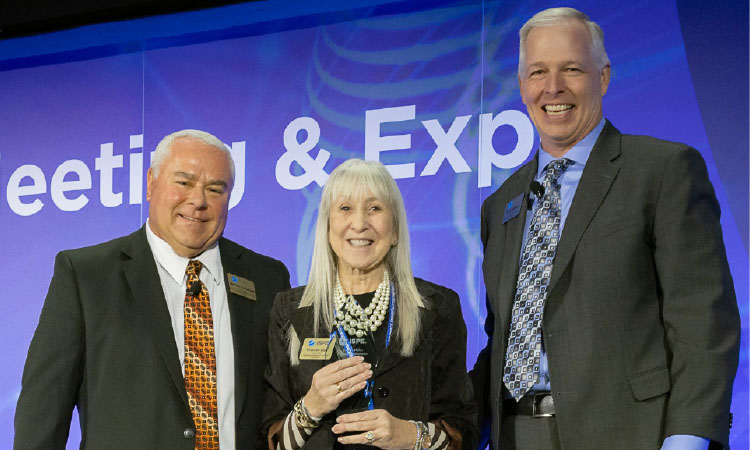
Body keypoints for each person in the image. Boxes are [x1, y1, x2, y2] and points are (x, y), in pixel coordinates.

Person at [471, 7, 740, 450]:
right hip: (516, 436)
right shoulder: (499, 205)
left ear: (603, 77)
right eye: (538, 72)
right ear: (522, 87)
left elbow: (702, 324)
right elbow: (502, 336)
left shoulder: (663, 170)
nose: (553, 88)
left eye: (571, 69)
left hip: (632, 434)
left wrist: (686, 440)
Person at [14, 129, 290, 450]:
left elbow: (280, 407)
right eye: (184, 183)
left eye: (215, 189)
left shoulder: (267, 278)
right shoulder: (86, 276)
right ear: (150, 184)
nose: (198, 201)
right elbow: (42, 418)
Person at [261, 159, 477, 450]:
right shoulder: (288, 310)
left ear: (396, 229)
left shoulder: (438, 308)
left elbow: (463, 431)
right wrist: (310, 408)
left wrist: (410, 435)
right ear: (327, 227)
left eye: (375, 208)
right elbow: (271, 441)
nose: (359, 223)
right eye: (345, 208)